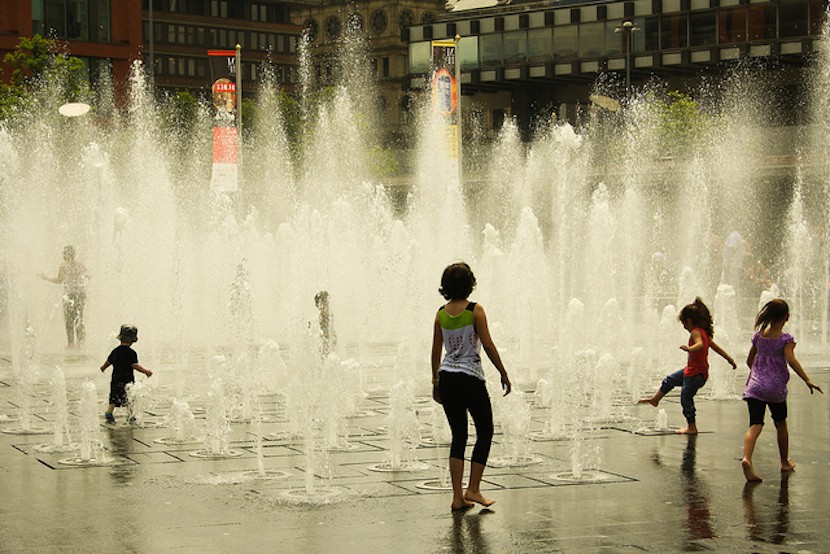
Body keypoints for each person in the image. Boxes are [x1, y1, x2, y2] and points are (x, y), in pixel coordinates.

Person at [431, 262, 511, 511]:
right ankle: (473, 489)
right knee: (485, 431)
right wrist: (503, 371)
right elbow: (487, 345)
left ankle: (457, 497)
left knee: (459, 436)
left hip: (447, 377)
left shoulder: (441, 313)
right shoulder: (475, 311)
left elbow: (435, 351)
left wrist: (435, 382)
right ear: (469, 283)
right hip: (470, 378)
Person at [740, 299, 823, 482]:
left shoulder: (759, 336)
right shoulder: (785, 340)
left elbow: (749, 361)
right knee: (780, 424)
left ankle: (747, 458)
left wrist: (758, 373)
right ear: (786, 317)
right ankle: (784, 462)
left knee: (755, 425)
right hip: (775, 388)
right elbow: (791, 360)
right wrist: (807, 379)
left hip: (755, 387)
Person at [638, 297, 737, 434]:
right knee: (670, 380)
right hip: (693, 372)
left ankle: (692, 427)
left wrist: (689, 349)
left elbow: (700, 344)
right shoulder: (704, 333)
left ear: (689, 321)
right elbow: (716, 348)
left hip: (695, 374)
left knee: (686, 397)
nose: (684, 326)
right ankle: (655, 399)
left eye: (684, 323)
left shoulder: (696, 332)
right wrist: (730, 359)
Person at [100, 325, 153, 423]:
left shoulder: (115, 351)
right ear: (133, 340)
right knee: (130, 397)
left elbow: (108, 362)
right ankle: (131, 415)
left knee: (113, 397)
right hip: (127, 379)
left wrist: (103, 368)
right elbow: (135, 365)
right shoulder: (131, 352)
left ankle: (109, 412)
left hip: (115, 379)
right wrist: (146, 371)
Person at [39, 245, 88, 348]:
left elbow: (59, 280)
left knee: (69, 319)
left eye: (64, 253)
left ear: (66, 254)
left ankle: (70, 343)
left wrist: (46, 278)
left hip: (69, 295)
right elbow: (87, 277)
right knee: (79, 317)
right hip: (80, 294)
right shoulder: (81, 265)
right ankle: (80, 342)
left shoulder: (63, 265)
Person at [314, 290, 336, 357]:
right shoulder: (327, 312)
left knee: (324, 355)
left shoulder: (325, 312)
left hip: (327, 337)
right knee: (327, 355)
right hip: (329, 336)